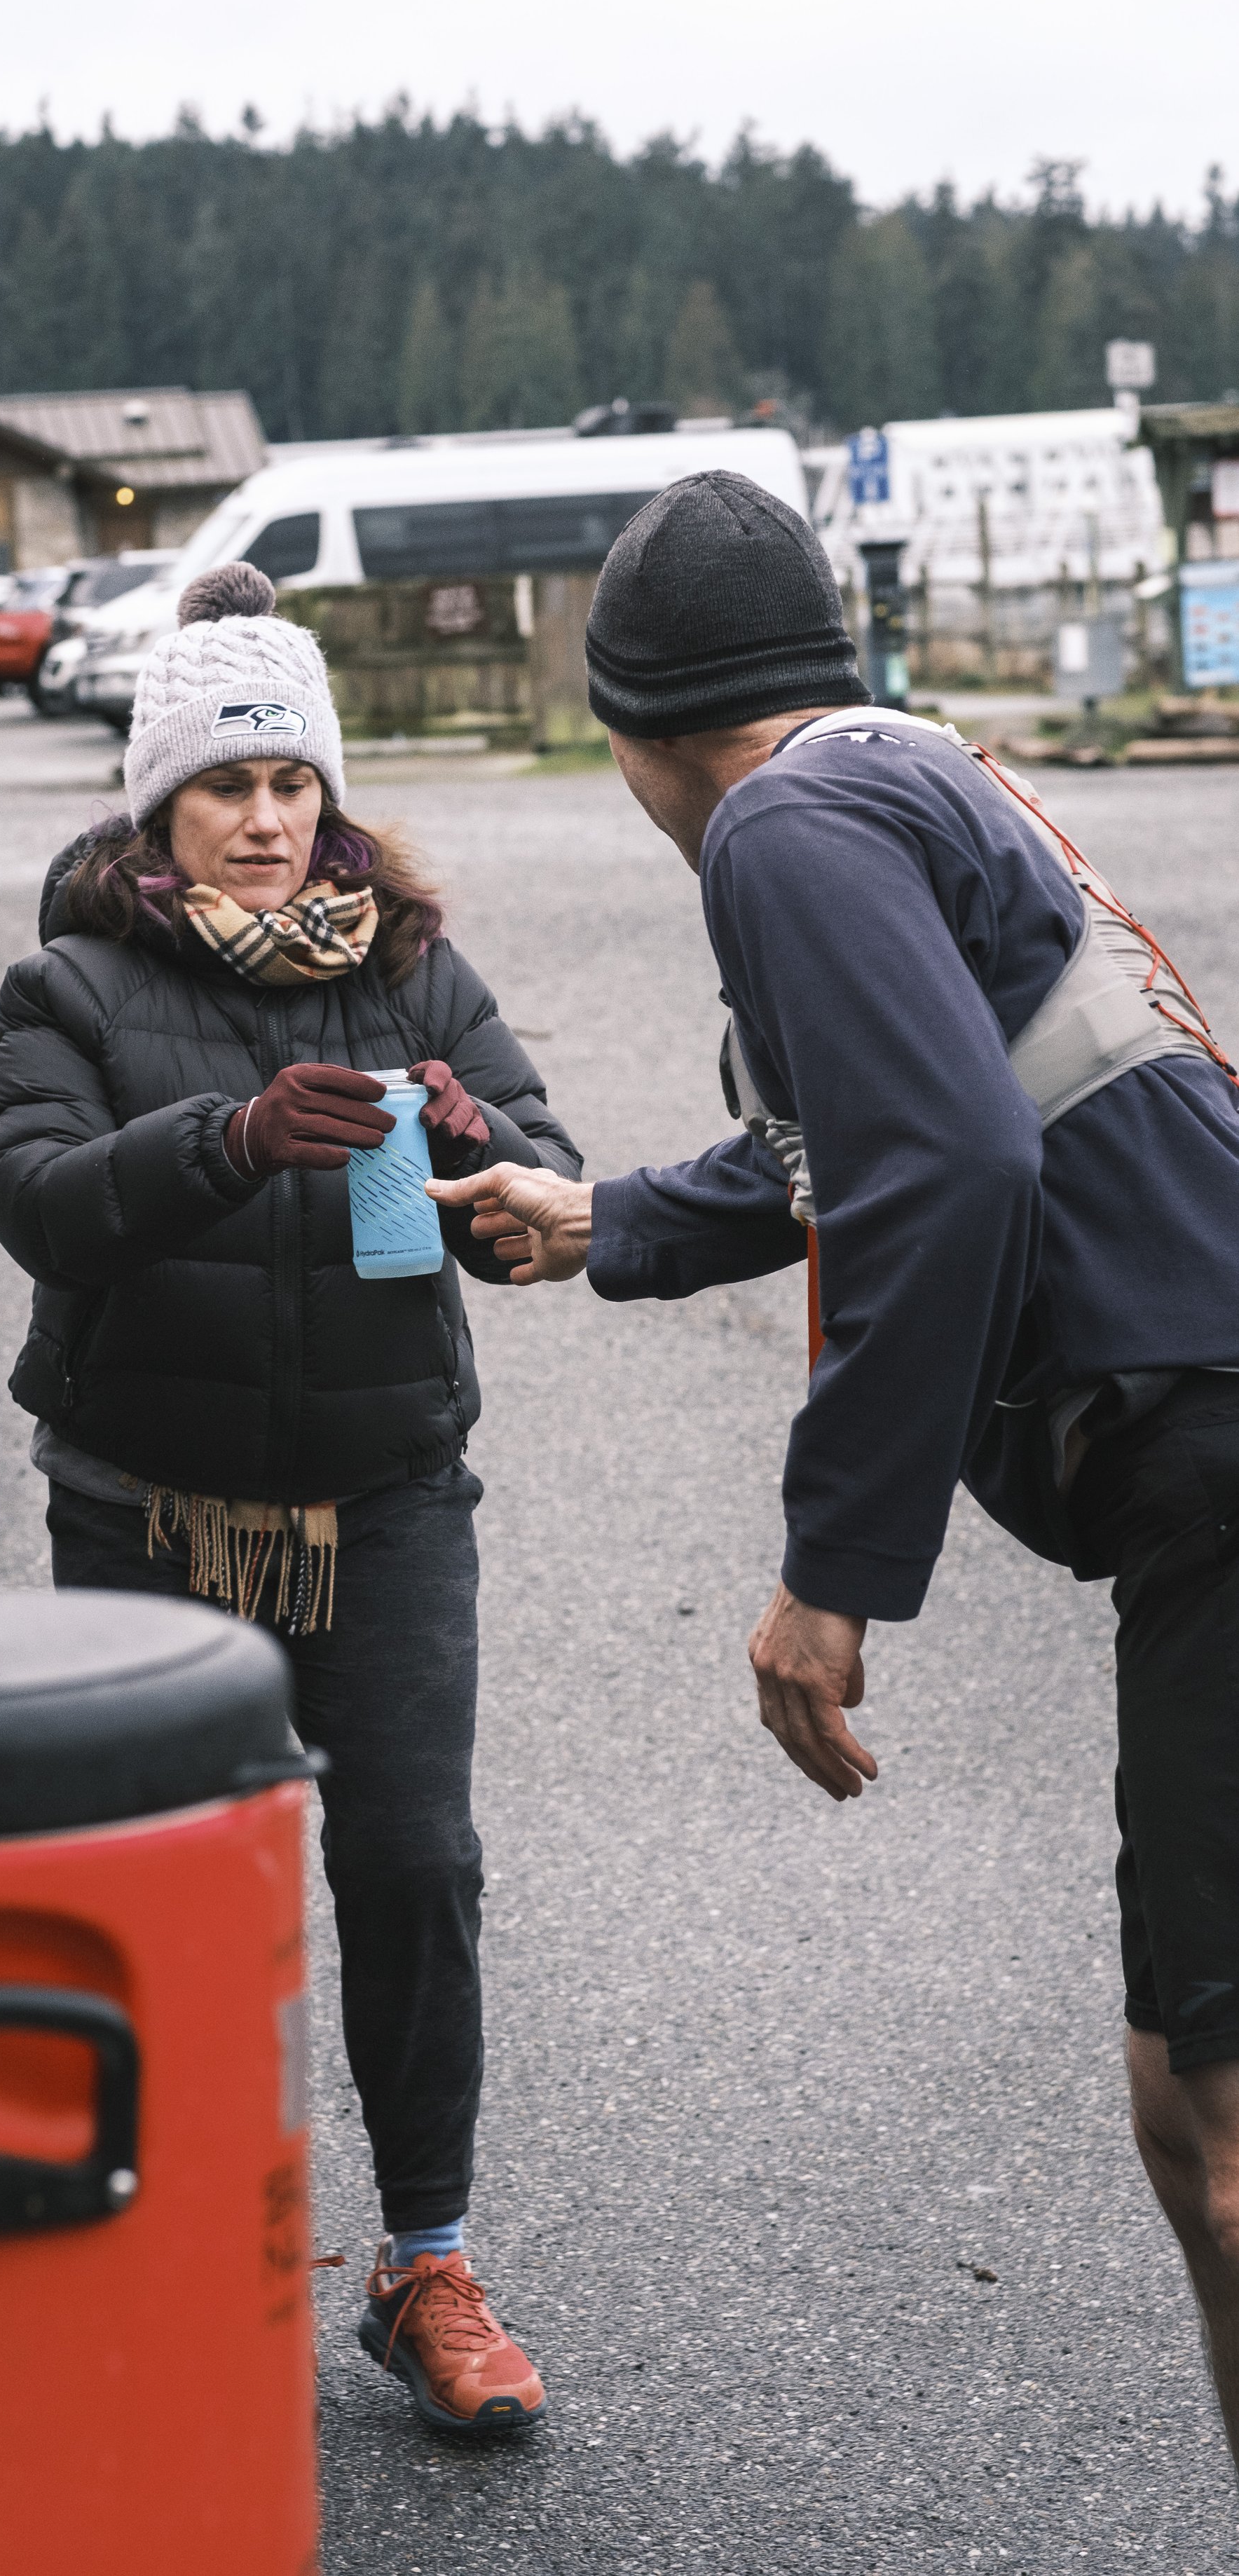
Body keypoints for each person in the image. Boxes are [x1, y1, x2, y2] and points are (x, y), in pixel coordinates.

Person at [431, 467, 1239, 2463]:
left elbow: (944, 1170)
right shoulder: (906, 766)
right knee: (1189, 2113)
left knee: (1223, 2145)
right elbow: (883, 1134)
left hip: (1214, 1447)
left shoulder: (776, 826)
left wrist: (831, 1570)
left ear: (633, 734)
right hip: (1203, 1443)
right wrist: (601, 1217)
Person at [0, 561, 580, 2437]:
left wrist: (490, 1153)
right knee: (156, 1893)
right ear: (157, 803)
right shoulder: (71, 979)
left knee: (414, 1868)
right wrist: (226, 1138)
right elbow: (35, 1194)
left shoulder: (411, 966)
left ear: (330, 798)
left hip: (386, 1496)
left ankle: (426, 2259)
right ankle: (149, 2257)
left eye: (292, 784)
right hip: (149, 1508)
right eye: (227, 786)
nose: (264, 819)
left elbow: (543, 1169)